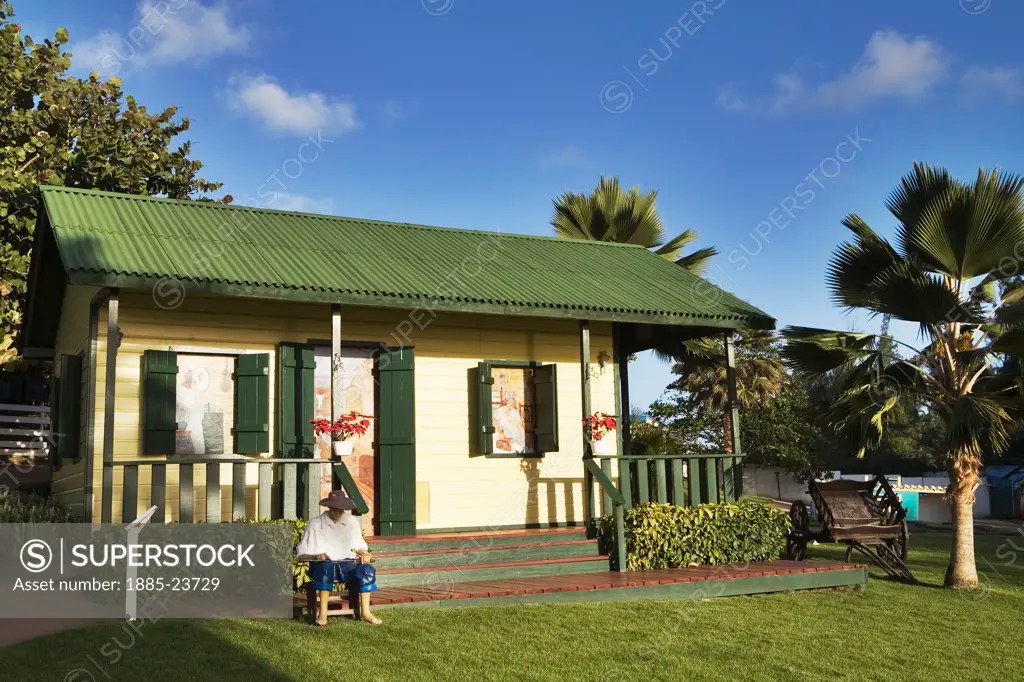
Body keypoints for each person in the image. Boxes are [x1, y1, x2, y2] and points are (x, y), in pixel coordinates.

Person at [295, 490, 382, 625]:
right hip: (322, 566)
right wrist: (317, 556)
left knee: (367, 570)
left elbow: (359, 545)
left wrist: (364, 553)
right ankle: (323, 613)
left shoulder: (351, 522)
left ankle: (366, 612)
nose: (338, 512)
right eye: (335, 508)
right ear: (329, 507)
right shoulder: (315, 524)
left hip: (346, 565)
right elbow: (301, 555)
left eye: (341, 509)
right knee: (326, 568)